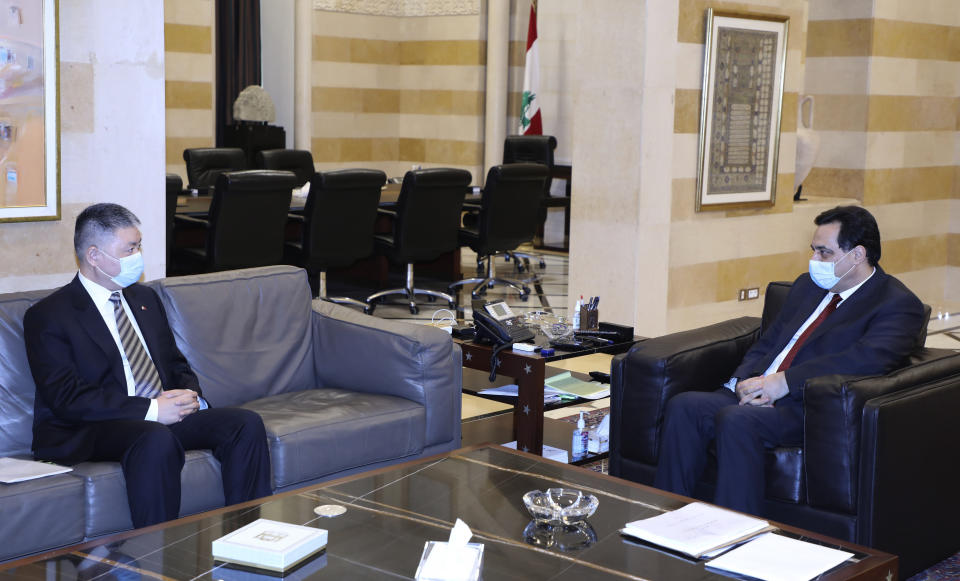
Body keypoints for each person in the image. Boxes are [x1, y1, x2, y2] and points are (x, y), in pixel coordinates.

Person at [653, 205, 925, 516]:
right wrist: (745, 380)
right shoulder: (807, 287)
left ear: (857, 255)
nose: (814, 261)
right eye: (813, 250)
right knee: (685, 406)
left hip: (807, 406)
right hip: (759, 389)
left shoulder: (897, 305)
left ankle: (735, 535)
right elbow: (767, 342)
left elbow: (864, 361)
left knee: (736, 420)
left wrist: (785, 383)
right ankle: (667, 517)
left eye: (824, 253)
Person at [23, 203, 272, 528]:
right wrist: (151, 409)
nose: (137, 255)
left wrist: (190, 396)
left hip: (158, 417)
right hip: (89, 428)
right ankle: (156, 560)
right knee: (154, 437)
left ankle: (248, 541)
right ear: (95, 256)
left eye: (138, 245)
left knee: (245, 424)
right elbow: (67, 398)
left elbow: (174, 363)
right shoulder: (49, 316)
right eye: (130, 249)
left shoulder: (144, 299)